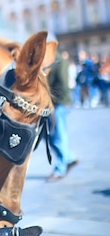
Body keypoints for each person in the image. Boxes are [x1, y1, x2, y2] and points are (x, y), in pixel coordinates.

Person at [47, 48, 79, 182]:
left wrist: (53, 101)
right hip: (51, 104)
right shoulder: (49, 60)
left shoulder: (59, 60)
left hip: (57, 104)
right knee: (48, 136)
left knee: (58, 135)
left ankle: (60, 169)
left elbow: (62, 85)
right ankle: (69, 158)